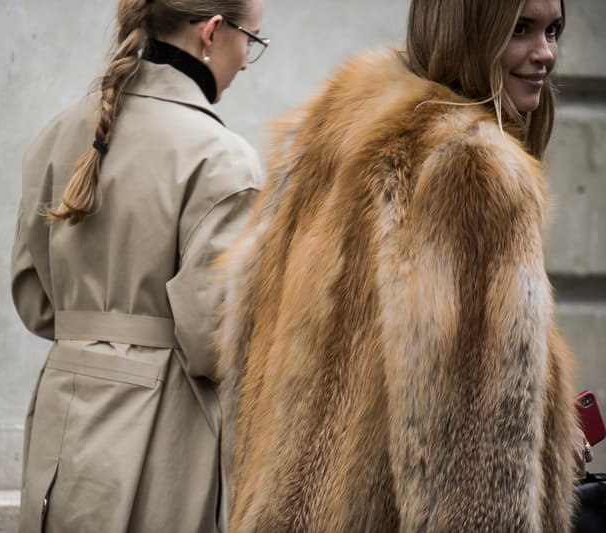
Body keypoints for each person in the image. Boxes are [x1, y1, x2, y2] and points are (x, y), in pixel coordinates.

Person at [216, 0, 579, 530]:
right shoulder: (475, 171)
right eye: (519, 29)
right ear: (467, 28)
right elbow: (474, 462)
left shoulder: (330, 126)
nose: (544, 53)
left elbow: (246, 339)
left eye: (554, 30)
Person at [10, 0, 267, 531]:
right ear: (213, 32)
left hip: (62, 422)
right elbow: (214, 340)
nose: (246, 60)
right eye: (251, 39)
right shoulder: (223, 159)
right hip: (162, 436)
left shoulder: (58, 133)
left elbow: (35, 303)